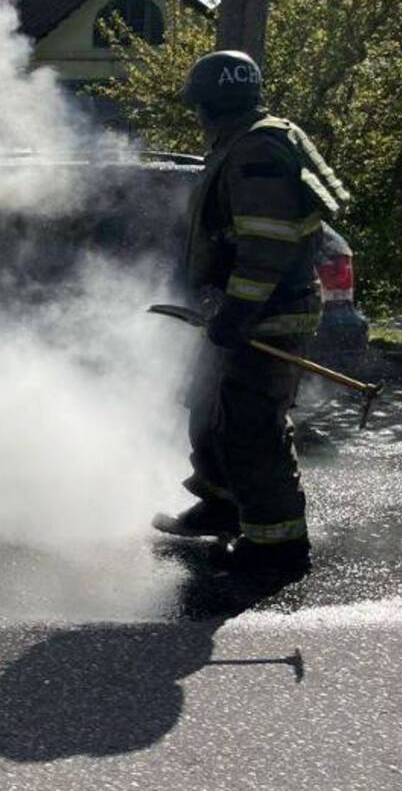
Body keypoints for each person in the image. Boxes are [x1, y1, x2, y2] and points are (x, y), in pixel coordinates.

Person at [155, 50, 351, 577]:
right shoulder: (248, 141)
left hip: (267, 316)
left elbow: (267, 243)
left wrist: (239, 310)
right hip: (239, 312)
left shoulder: (255, 150)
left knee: (252, 428)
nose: (196, 116)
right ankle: (221, 506)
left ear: (213, 102)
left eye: (198, 105)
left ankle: (278, 549)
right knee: (207, 410)